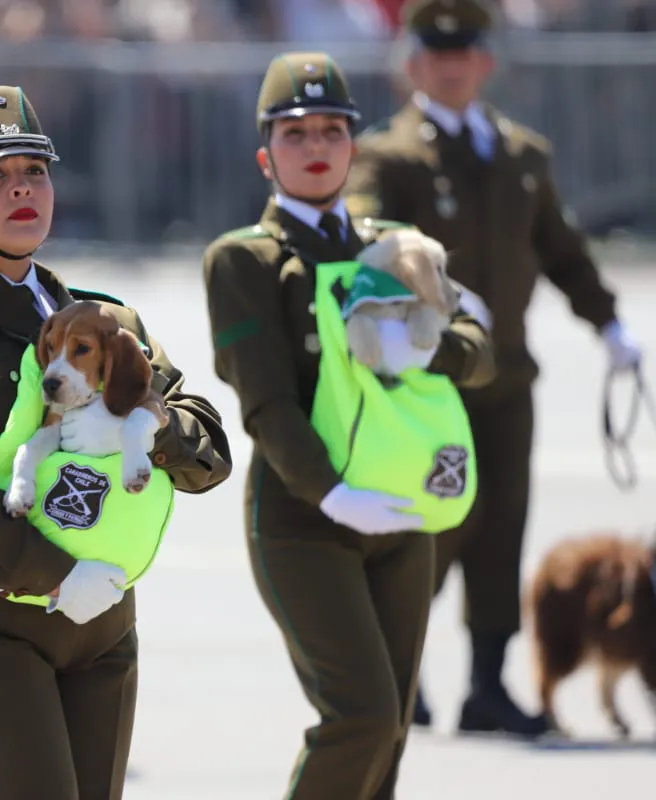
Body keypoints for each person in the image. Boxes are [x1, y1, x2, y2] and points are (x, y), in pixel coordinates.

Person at [0, 84, 232, 798]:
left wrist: (149, 427)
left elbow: (205, 444)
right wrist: (57, 575)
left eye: (33, 170)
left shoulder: (104, 317)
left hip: (101, 623)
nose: (20, 189)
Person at [203, 52, 496, 799]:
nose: (317, 145)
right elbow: (264, 403)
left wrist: (429, 349)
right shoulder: (245, 260)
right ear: (268, 155)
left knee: (390, 731)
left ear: (353, 145)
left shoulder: (392, 242)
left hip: (402, 509)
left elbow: (481, 345)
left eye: (332, 129)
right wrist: (333, 494)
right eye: (296, 133)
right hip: (307, 516)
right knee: (359, 716)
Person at [345, 0, 643, 736]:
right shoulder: (391, 156)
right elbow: (368, 238)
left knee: (501, 526)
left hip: (507, 378)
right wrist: (430, 287)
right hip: (427, 380)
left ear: (485, 61)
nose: (451, 65)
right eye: (436, 52)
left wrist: (607, 322)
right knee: (428, 529)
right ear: (413, 64)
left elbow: (562, 249)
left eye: (465, 51)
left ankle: (487, 682)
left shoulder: (519, 155)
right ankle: (398, 674)